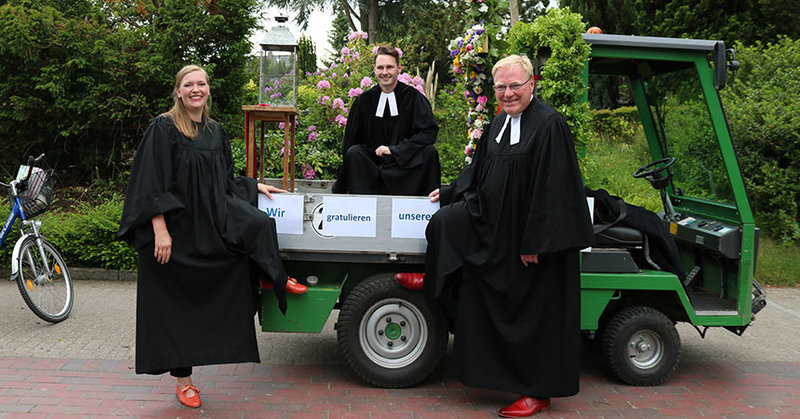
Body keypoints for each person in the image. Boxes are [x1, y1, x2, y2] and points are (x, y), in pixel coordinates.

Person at [117, 65, 305, 409]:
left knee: (259, 225)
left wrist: (254, 185)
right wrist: (159, 230)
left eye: (201, 83)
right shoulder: (164, 128)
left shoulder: (216, 132)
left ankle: (272, 276)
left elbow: (225, 181)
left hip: (208, 223)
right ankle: (183, 381)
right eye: (188, 84)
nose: (195, 89)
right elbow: (150, 183)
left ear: (208, 90)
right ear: (178, 91)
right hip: (176, 232)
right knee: (175, 310)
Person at [424, 55, 595, 417]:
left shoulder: (550, 125)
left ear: (532, 83)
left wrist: (536, 242)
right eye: (501, 87)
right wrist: (453, 190)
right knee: (449, 228)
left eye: (515, 85)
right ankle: (438, 275)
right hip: (498, 232)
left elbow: (556, 189)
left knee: (534, 315)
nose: (508, 93)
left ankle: (538, 391)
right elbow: (481, 169)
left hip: (529, 245)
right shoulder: (500, 122)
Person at [331, 45, 440, 196]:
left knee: (429, 152)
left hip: (404, 166)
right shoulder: (363, 101)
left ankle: (425, 207)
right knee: (354, 152)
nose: (385, 72)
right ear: (374, 69)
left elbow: (428, 133)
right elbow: (350, 142)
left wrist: (395, 151)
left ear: (398, 68)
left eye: (389, 67)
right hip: (371, 168)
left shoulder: (413, 99)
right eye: (380, 68)